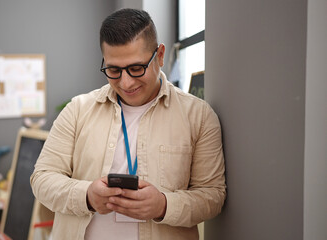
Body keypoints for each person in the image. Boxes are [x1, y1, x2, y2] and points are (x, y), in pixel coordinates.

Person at [30, 8, 226, 240]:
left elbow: (212, 196)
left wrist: (164, 205)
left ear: (160, 55)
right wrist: (86, 196)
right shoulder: (77, 110)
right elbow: (42, 178)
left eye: (136, 68)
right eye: (113, 70)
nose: (125, 82)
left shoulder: (199, 116)